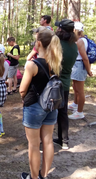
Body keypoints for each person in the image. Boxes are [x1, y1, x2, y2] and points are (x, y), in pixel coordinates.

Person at [19, 27, 62, 179]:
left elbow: (22, 90)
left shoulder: (32, 65)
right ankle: (44, 175)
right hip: (51, 106)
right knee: (48, 141)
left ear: (38, 44)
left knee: (34, 145)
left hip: (34, 107)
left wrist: (23, 98)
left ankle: (33, 177)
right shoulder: (56, 63)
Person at [53, 19, 78, 150]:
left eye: (58, 28)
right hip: (65, 83)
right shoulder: (74, 45)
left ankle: (44, 141)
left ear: (61, 30)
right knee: (62, 112)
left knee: (48, 111)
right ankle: (64, 141)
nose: (56, 29)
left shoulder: (57, 44)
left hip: (53, 83)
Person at [68, 22, 93, 119]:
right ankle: (75, 104)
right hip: (76, 65)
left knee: (80, 90)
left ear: (75, 30)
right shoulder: (80, 40)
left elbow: (85, 58)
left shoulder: (80, 41)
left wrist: (88, 70)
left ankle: (80, 112)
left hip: (79, 66)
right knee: (75, 87)